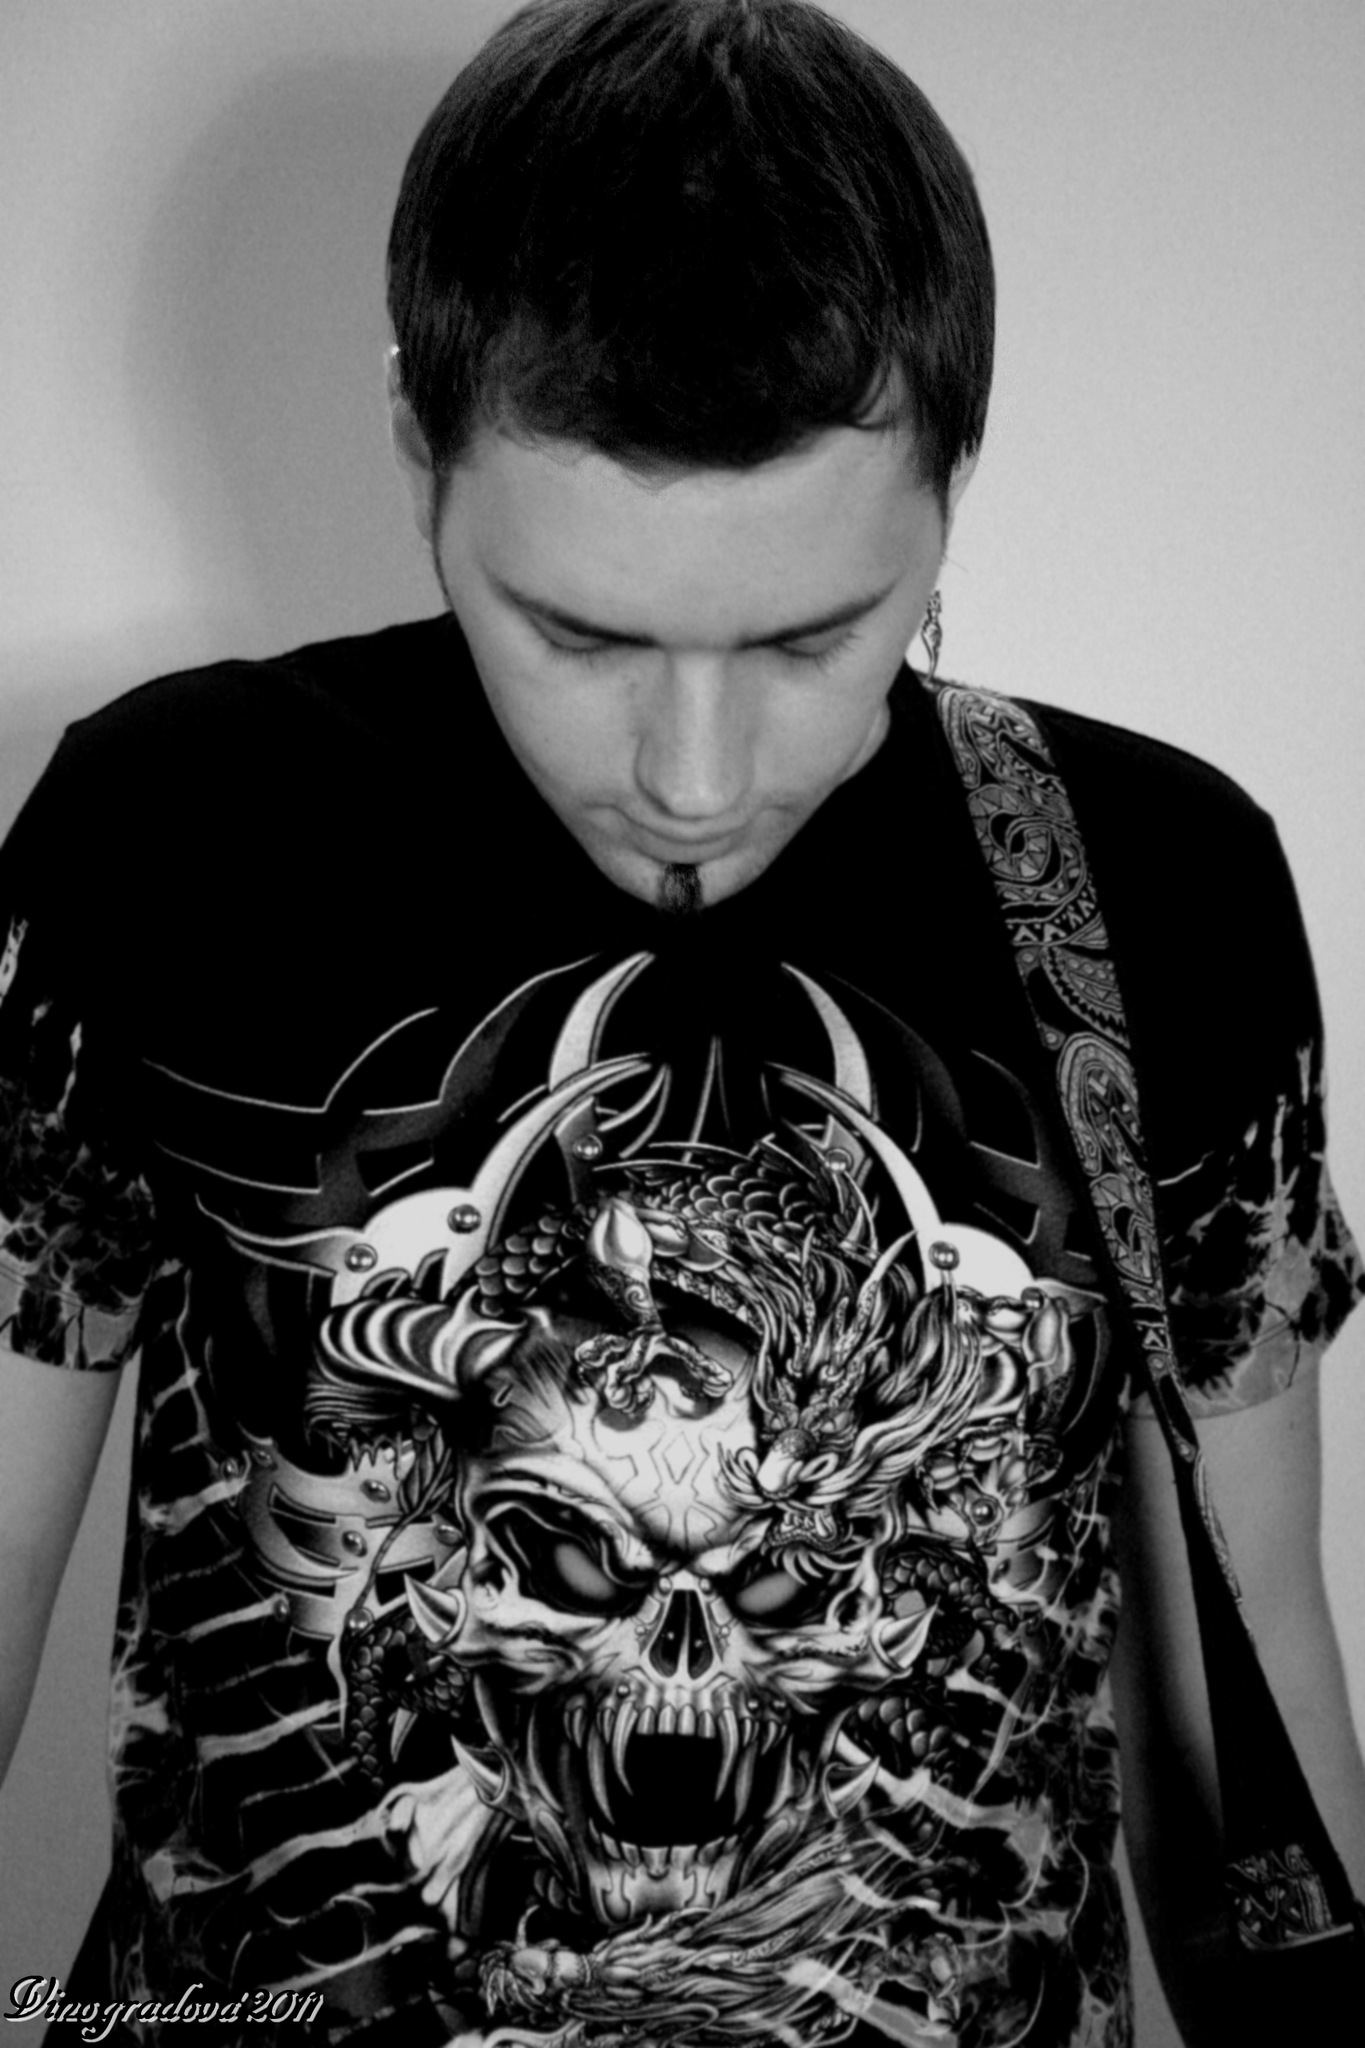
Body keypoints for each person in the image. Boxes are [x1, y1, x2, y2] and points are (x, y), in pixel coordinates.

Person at [1, 1, 1361, 2043]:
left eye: (815, 635)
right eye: (577, 632)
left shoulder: (1156, 881)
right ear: (418, 442)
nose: (695, 779)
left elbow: (1250, 1715)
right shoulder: (167, 829)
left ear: (952, 476)